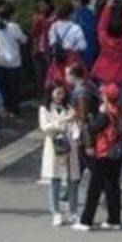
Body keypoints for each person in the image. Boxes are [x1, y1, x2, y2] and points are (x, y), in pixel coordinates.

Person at [77, 84, 122, 230]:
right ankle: (114, 219)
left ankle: (86, 221)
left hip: (103, 153)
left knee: (95, 187)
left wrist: (96, 116)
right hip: (116, 154)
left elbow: (91, 128)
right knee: (113, 186)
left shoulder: (106, 114)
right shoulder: (119, 111)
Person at [40, 86, 80, 227]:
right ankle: (56, 212)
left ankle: (73, 212)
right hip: (54, 146)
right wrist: (63, 120)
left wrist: (75, 134)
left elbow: (75, 126)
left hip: (69, 146)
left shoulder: (69, 107)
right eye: (57, 93)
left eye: (62, 93)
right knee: (54, 179)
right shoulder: (45, 109)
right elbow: (45, 127)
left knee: (73, 179)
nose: (60, 96)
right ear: (51, 93)